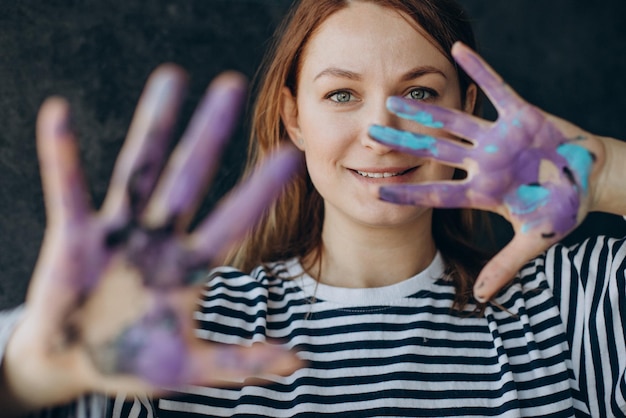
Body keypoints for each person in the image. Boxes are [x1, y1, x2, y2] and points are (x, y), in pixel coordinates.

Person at [1, 0, 626, 417]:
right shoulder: (174, 326)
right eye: (342, 93)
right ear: (293, 116)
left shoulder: (566, 309)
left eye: (418, 92)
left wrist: (600, 174)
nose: (380, 130)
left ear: (468, 108)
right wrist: (29, 371)